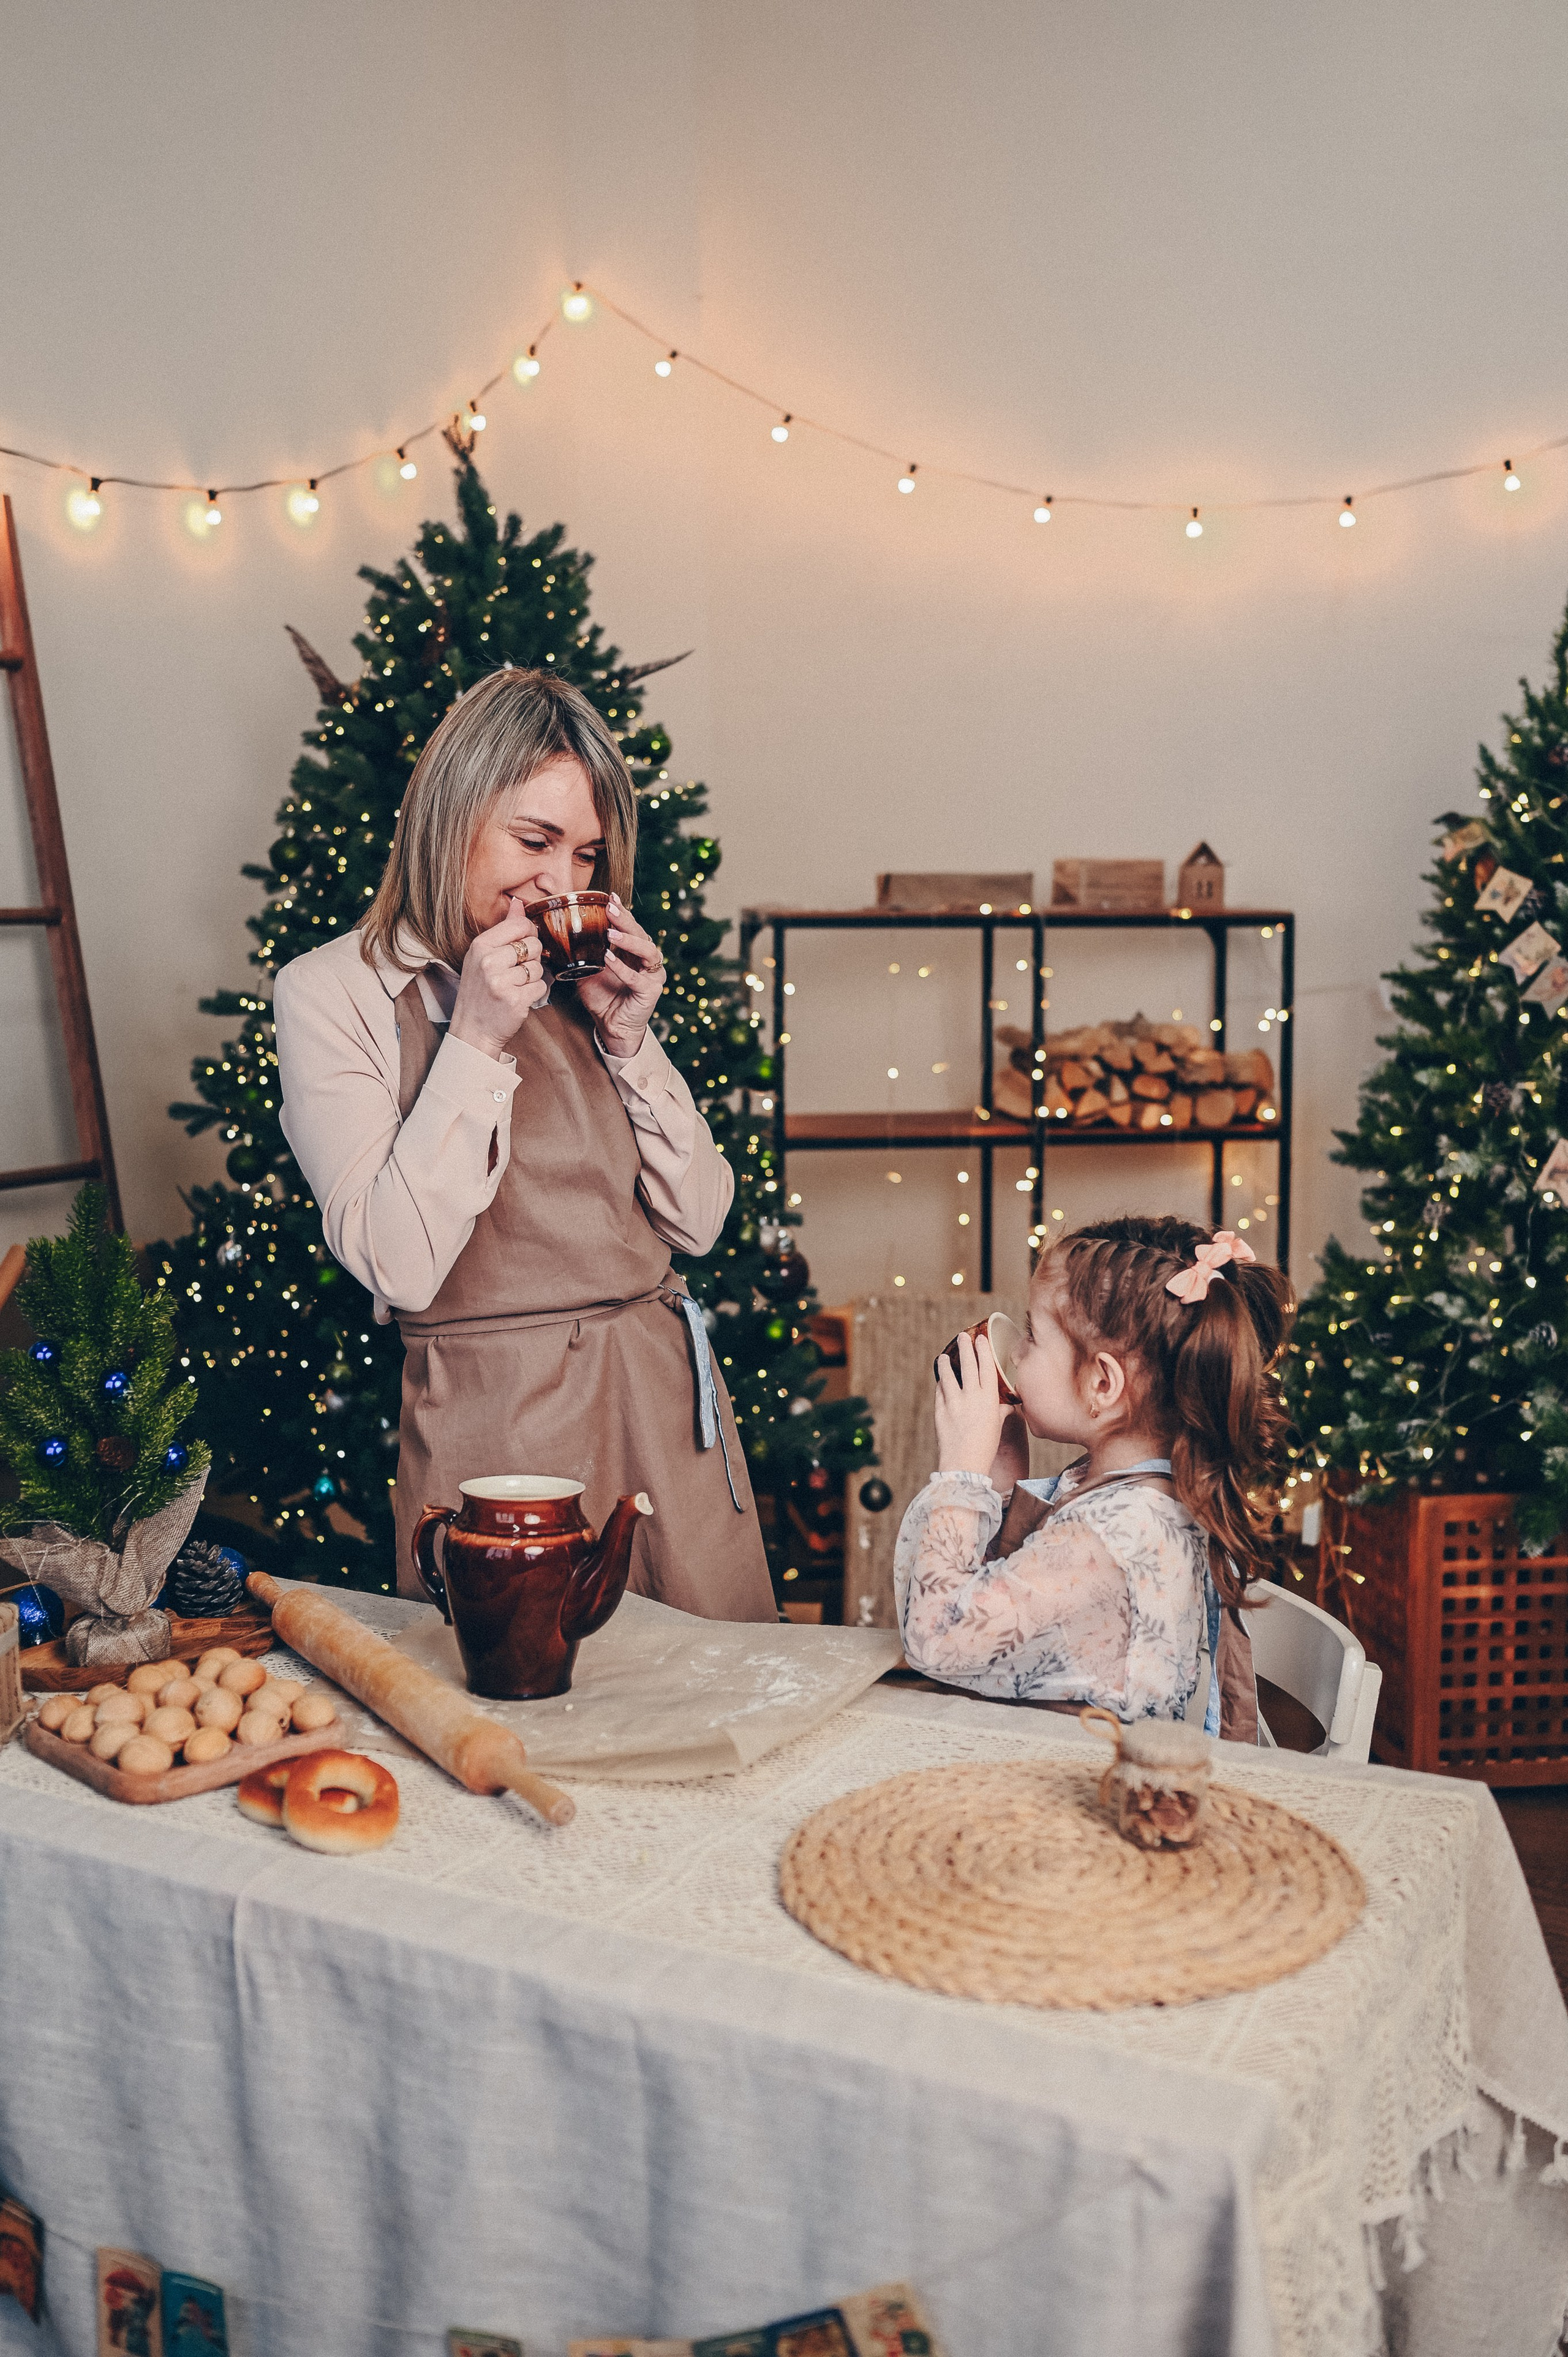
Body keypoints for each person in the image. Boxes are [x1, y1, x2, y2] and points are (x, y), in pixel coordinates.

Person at [274, 666, 775, 1619]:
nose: (561, 884)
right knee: (517, 1722)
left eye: (586, 856)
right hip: (494, 1434)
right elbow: (399, 1265)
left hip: (662, 1406)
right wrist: (475, 1037)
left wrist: (631, 1040)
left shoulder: (588, 984)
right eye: (534, 841)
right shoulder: (331, 993)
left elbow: (700, 1223)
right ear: (450, 816)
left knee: (719, 1714)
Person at [894, 1216, 1294, 1738]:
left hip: (1080, 1787)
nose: (1015, 1352)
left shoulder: (1117, 1533)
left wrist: (961, 1475)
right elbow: (1003, 1620)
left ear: (1103, 1383)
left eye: (1033, 1336)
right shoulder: (1124, 1489)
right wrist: (1000, 1483)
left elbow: (937, 1639)